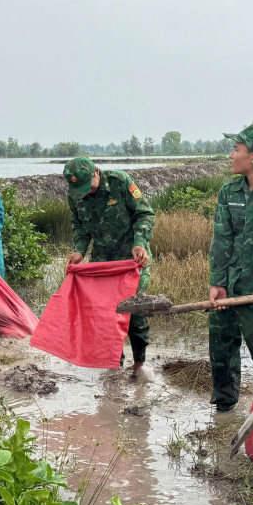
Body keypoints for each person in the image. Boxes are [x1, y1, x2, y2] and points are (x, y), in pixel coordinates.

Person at [64, 157, 155, 377]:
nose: (87, 193)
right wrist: (79, 250)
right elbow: (80, 227)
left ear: (97, 171)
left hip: (131, 257)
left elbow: (144, 214)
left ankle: (140, 363)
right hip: (102, 261)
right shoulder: (75, 194)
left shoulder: (119, 182)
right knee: (103, 313)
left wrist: (139, 244)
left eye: (89, 187)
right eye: (81, 190)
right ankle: (114, 362)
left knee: (134, 309)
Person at [208, 124, 253, 411]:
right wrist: (217, 282)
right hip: (230, 284)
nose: (230, 155)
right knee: (221, 348)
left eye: (236, 150)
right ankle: (224, 409)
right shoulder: (229, 191)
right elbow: (222, 239)